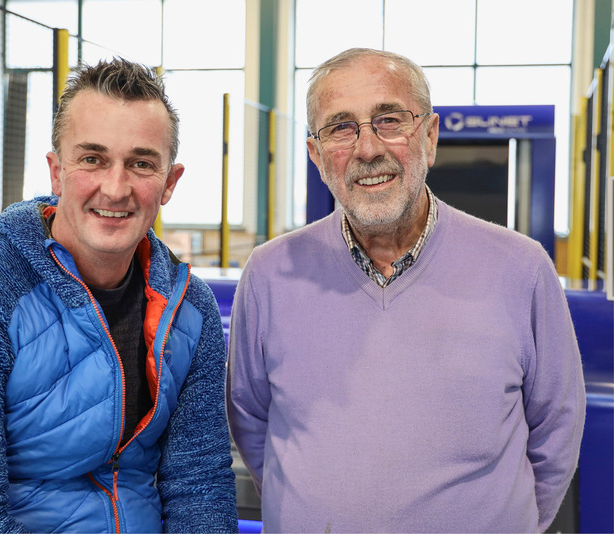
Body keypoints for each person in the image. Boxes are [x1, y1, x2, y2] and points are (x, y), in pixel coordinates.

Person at [226, 47, 585, 533]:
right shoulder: (270, 274)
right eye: (340, 127)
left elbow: (557, 429)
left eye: (389, 120)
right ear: (315, 154)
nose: (367, 149)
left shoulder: (521, 269)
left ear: (430, 136)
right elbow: (249, 420)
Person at [0, 58, 238, 533]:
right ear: (56, 172)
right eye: (92, 159)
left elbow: (198, 487)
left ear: (169, 183)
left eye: (140, 164)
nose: (115, 188)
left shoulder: (188, 307)